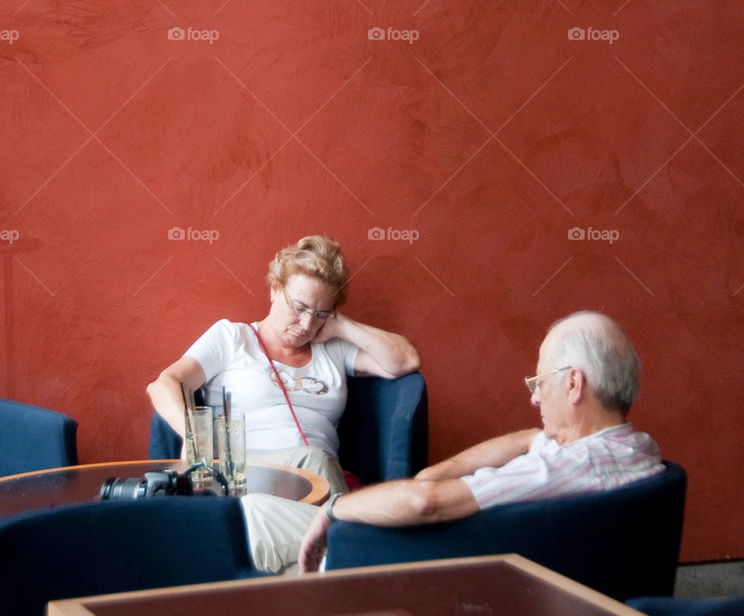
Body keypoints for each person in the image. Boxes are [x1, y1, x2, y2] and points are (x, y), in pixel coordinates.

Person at [299, 309, 663, 572]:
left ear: (572, 384)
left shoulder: (557, 469)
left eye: (539, 383)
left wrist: (334, 509)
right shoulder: (639, 449)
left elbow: (425, 503)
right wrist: (432, 472)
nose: (535, 398)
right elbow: (531, 439)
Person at [147, 234, 421, 571]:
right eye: (300, 307)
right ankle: (361, 543)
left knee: (263, 524)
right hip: (246, 473)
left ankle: (339, 557)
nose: (306, 325)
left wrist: (341, 325)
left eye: (321, 313)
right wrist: (197, 438)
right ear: (275, 289)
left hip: (316, 483)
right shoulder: (233, 338)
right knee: (307, 462)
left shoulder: (333, 348)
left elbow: (405, 361)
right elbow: (163, 385)